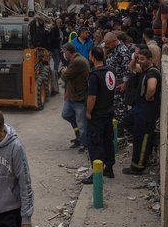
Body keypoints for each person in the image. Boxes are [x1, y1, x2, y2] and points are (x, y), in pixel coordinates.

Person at [123, 46, 161, 176]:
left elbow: (152, 87)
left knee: (142, 139)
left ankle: (138, 168)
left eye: (143, 59)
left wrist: (148, 96)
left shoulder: (152, 73)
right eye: (139, 59)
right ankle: (147, 143)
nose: (140, 61)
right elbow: (131, 67)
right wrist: (135, 58)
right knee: (126, 123)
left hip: (147, 111)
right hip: (139, 109)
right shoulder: (144, 69)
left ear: (150, 59)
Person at [82, 46, 116, 184]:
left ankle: (97, 173)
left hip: (97, 114)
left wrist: (88, 112)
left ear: (93, 57)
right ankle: (109, 167)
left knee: (95, 143)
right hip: (109, 110)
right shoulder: (110, 71)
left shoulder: (95, 75)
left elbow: (92, 97)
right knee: (108, 140)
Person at [60, 43, 90, 149]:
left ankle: (84, 143)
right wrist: (66, 92)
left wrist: (64, 70)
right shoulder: (74, 60)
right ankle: (78, 136)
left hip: (79, 97)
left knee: (81, 123)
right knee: (66, 114)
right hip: (72, 95)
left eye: (64, 52)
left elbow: (65, 76)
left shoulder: (78, 61)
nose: (63, 54)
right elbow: (70, 78)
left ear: (68, 52)